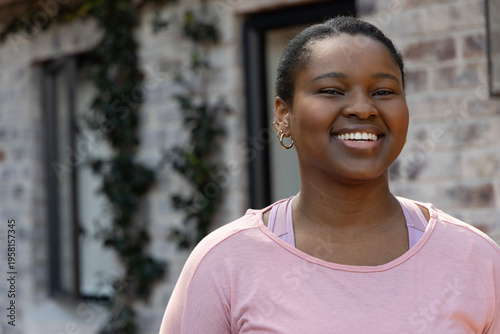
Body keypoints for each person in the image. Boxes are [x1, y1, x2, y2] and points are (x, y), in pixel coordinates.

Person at [159, 16, 500, 333]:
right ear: (283, 116)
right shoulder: (225, 263)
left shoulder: (474, 258)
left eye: (383, 92)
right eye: (331, 91)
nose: (363, 108)